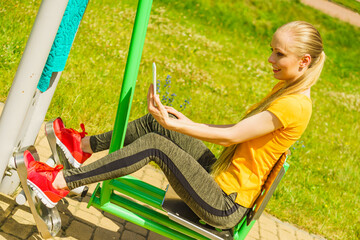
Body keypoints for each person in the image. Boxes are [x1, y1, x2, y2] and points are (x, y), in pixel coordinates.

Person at [25, 21, 325, 229]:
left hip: (224, 203)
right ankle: (80, 147)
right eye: (272, 49)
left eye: (279, 54)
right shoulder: (289, 89)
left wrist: (183, 127)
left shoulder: (294, 104)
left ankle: (58, 184)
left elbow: (230, 136)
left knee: (157, 145)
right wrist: (184, 123)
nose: (270, 58)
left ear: (304, 61)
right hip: (220, 181)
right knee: (161, 128)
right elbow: (242, 128)